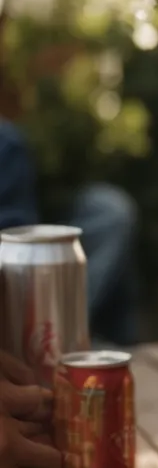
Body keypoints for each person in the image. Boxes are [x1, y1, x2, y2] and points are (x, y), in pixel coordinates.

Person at [0, 121, 140, 346]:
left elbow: (13, 237)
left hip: (20, 309)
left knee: (109, 211)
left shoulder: (6, 145)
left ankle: (58, 337)